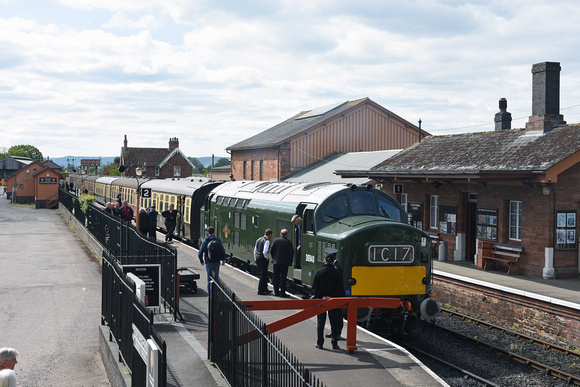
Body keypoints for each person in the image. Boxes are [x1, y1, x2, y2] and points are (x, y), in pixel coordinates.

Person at [312, 247, 346, 350]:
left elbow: (314, 287)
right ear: (332, 262)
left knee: (321, 322)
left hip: (321, 301)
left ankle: (320, 343)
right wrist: (332, 296)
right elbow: (340, 287)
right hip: (333, 301)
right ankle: (334, 343)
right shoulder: (336, 273)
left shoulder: (318, 272)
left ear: (324, 261)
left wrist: (321, 296)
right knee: (334, 323)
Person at [198, 226, 227, 293]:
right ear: (214, 232)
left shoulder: (205, 241)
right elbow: (222, 250)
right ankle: (216, 293)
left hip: (208, 262)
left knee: (209, 279)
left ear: (207, 233)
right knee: (216, 278)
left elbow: (200, 253)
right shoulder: (218, 240)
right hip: (216, 261)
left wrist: (201, 260)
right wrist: (223, 259)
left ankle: (210, 294)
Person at [269, 229, 294, 297]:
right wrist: (290, 261)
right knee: (283, 278)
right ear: (287, 235)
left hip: (276, 262)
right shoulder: (288, 242)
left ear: (280, 234)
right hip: (284, 263)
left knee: (275, 277)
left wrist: (274, 258)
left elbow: (271, 250)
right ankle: (282, 293)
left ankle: (276, 292)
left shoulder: (276, 240)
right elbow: (291, 253)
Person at [254, 229, 273, 295]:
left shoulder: (259, 239)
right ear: (269, 235)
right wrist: (267, 258)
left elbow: (255, 250)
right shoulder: (267, 241)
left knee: (262, 273)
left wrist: (255, 259)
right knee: (263, 274)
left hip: (258, 257)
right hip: (263, 258)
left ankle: (265, 288)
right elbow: (265, 251)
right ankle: (260, 290)